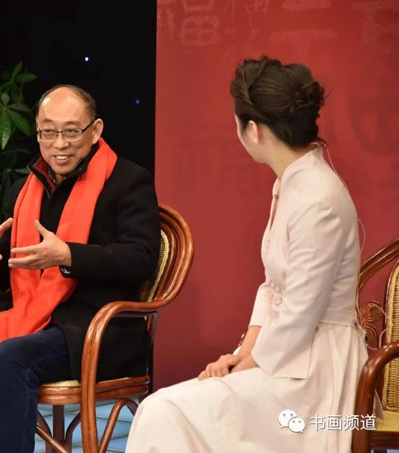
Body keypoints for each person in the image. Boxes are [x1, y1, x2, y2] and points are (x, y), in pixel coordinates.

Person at [126, 56, 367, 452]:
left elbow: (300, 312)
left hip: (315, 370)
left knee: (163, 410)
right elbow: (273, 288)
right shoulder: (292, 183)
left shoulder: (317, 197)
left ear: (253, 130)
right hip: (285, 354)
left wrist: (246, 363)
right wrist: (241, 353)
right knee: (165, 409)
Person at [0, 85, 161, 452]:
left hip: (92, 327)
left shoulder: (127, 181)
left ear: (95, 130)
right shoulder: (25, 189)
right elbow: (4, 277)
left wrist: (69, 256)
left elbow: (141, 259)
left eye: (71, 131)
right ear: (38, 133)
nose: (59, 144)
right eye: (48, 132)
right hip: (25, 317)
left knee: (11, 356)